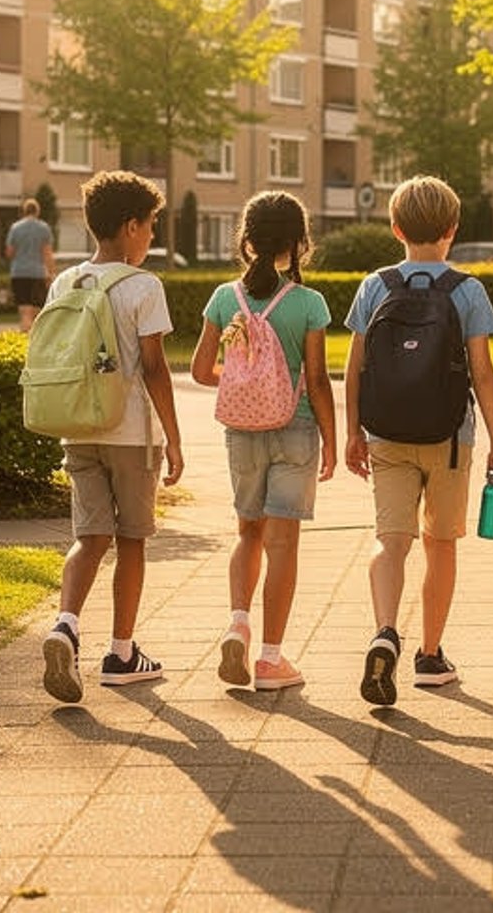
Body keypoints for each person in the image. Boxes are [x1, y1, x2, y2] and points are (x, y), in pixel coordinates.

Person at [343, 175, 493, 705]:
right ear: (453, 230)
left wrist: (351, 432)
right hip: (450, 440)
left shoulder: (376, 285)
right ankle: (430, 655)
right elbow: (484, 375)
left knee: (390, 540)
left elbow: (354, 367)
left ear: (395, 228)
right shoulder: (468, 290)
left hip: (385, 434)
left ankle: (385, 631)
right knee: (440, 546)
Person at [40, 170, 186, 703]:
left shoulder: (67, 282)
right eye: (150, 227)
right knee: (131, 540)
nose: (151, 237)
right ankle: (122, 653)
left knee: (88, 537)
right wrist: (173, 437)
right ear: (130, 227)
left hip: (79, 427)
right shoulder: (144, 286)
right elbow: (154, 368)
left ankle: (66, 625)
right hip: (130, 434)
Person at [189, 192, 336, 693]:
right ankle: (271, 659)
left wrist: (240, 378)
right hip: (294, 430)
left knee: (247, 533)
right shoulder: (309, 303)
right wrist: (333, 441)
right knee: (283, 545)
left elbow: (200, 371)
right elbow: (317, 381)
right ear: (298, 243)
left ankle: (237, 624)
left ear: (246, 240)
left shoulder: (224, 298)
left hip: (242, 433)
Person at [6, 197, 56, 331]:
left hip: (19, 272)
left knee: (24, 310)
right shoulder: (44, 228)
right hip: (37, 273)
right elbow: (47, 253)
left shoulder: (15, 228)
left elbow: (10, 253)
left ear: (24, 211)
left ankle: (24, 336)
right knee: (35, 310)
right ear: (37, 211)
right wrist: (51, 273)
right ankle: (31, 337)